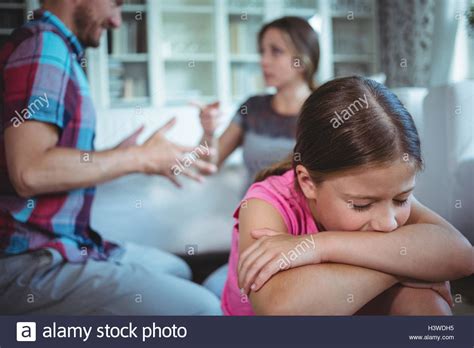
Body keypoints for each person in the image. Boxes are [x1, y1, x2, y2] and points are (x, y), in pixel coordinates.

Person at [0, 0, 221, 315]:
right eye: (115, 4)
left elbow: (44, 162)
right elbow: (30, 172)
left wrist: (121, 155)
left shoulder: (56, 48)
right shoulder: (44, 47)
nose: (117, 22)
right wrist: (137, 157)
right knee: (205, 310)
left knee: (176, 269)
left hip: (68, 244)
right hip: (29, 259)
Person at [221, 76, 473, 315]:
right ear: (308, 182)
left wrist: (321, 246)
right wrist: (409, 266)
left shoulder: (382, 193)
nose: (389, 223)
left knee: (427, 304)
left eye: (402, 199)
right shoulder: (264, 204)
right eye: (362, 205)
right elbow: (279, 309)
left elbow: (462, 255)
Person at [195, 16, 319, 189]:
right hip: (249, 212)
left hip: (301, 216)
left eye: (276, 51)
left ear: (303, 60)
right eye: (262, 52)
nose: (264, 61)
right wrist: (208, 133)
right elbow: (207, 167)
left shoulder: (325, 111)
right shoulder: (252, 108)